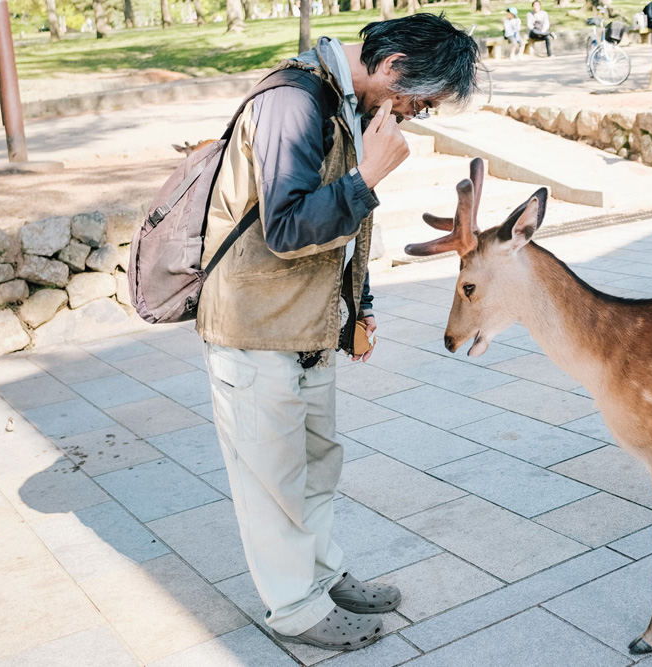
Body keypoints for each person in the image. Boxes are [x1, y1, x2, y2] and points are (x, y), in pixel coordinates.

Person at [198, 13, 479, 653]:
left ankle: (321, 575)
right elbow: (289, 229)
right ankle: (295, 608)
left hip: (309, 322)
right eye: (419, 100)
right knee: (273, 478)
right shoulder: (292, 104)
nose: (413, 115)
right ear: (394, 66)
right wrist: (368, 177)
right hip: (255, 326)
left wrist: (359, 304)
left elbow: (338, 234)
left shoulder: (339, 100)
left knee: (317, 466)